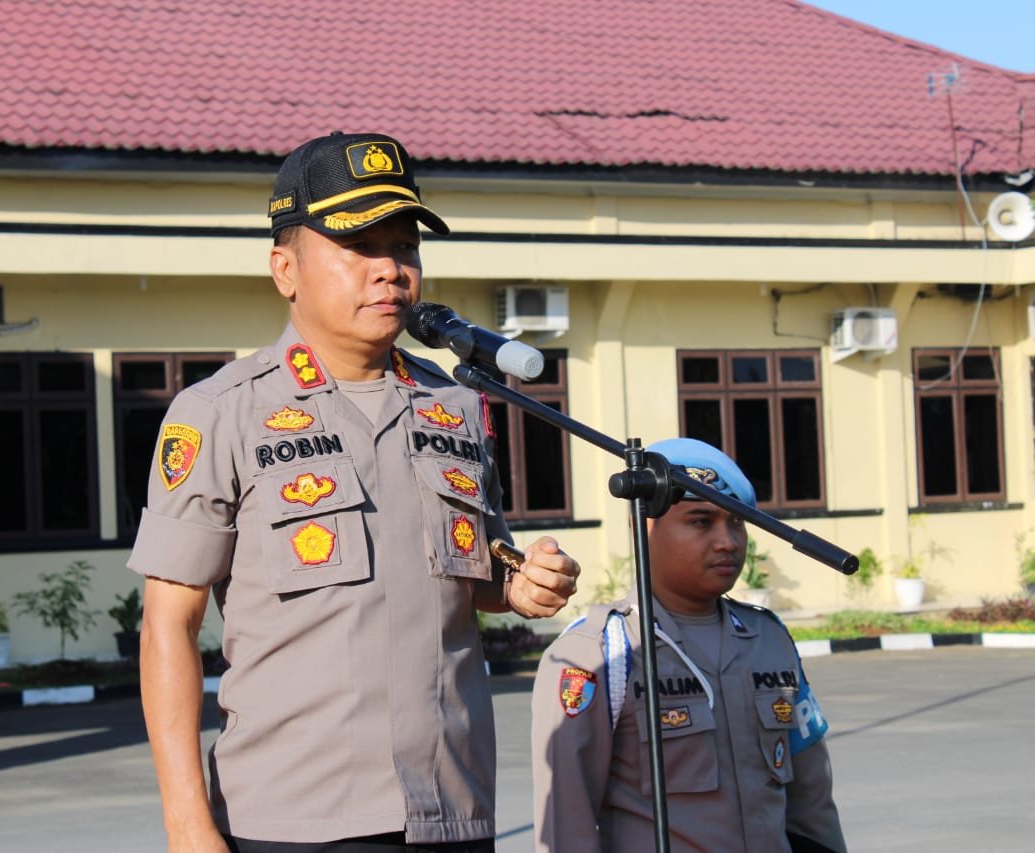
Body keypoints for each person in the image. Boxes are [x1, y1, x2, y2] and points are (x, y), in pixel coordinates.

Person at [128, 131, 581, 853]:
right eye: (359, 246)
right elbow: (167, 627)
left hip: (451, 803)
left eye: (405, 247)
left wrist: (523, 585)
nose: (390, 270)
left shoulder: (456, 406)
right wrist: (187, 824)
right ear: (285, 269)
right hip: (295, 816)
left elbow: (476, 574)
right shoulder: (220, 412)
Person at [530, 438, 845, 852]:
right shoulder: (596, 654)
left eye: (736, 523)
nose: (727, 541)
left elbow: (812, 803)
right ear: (642, 527)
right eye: (701, 521)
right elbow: (566, 828)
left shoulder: (768, 640)